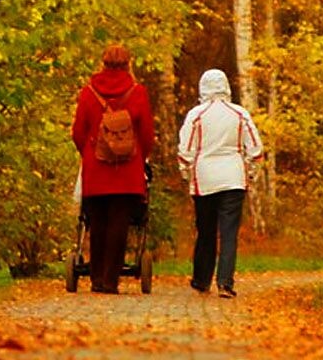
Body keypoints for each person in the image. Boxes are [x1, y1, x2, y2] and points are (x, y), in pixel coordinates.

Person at [69, 45, 155, 294]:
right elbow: (147, 133)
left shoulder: (89, 92)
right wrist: (139, 157)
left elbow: (78, 132)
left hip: (96, 168)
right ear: (128, 65)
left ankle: (96, 278)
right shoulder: (137, 92)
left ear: (103, 63)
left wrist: (89, 153)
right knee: (120, 223)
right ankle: (110, 280)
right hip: (127, 170)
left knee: (97, 222)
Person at [176, 69, 264, 298]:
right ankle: (225, 282)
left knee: (205, 230)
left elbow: (185, 151)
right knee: (229, 233)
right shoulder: (240, 114)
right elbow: (255, 150)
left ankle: (201, 279)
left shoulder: (196, 115)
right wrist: (250, 174)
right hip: (233, 179)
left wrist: (187, 174)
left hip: (204, 179)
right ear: (226, 87)